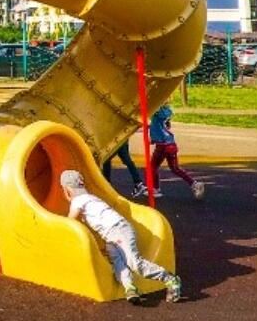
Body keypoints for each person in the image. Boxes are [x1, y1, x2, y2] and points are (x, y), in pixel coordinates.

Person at [60, 169, 183, 305]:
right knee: (118, 263)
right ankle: (129, 287)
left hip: (118, 230)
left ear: (67, 190)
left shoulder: (78, 200)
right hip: (112, 234)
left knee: (134, 263)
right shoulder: (89, 198)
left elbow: (70, 221)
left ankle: (169, 278)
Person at [141, 104, 204, 200]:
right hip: (170, 145)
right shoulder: (163, 117)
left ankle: (155, 189)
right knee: (174, 168)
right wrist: (152, 139)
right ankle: (194, 184)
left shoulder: (157, 115)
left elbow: (156, 128)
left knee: (152, 167)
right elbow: (158, 130)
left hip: (162, 146)